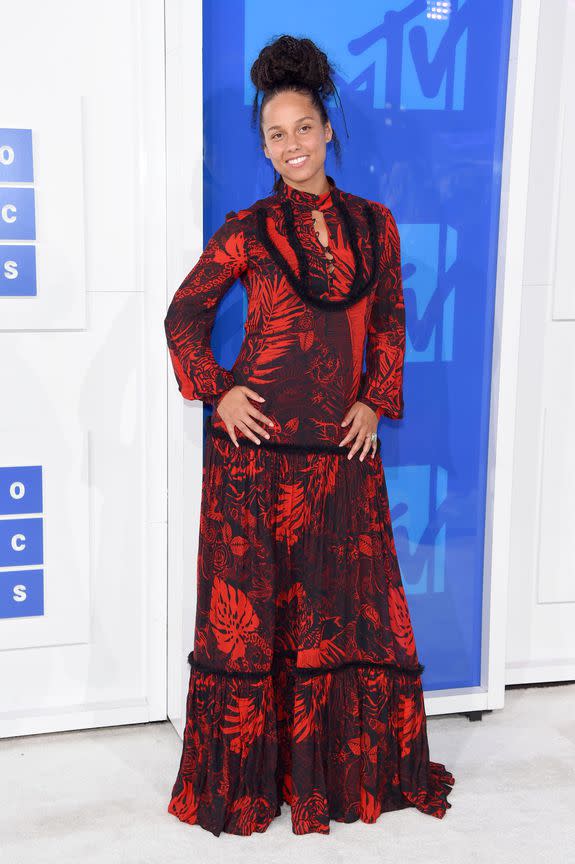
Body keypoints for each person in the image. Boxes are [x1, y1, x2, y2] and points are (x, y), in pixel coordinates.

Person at [164, 34, 455, 837]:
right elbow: (183, 316)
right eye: (273, 135)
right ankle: (254, 783)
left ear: (327, 130)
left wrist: (373, 401)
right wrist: (219, 392)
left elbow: (390, 324)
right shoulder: (247, 229)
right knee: (255, 623)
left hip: (338, 463)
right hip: (254, 467)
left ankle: (334, 776)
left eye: (301, 128)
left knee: (340, 618)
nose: (290, 145)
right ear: (261, 146)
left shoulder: (375, 226)